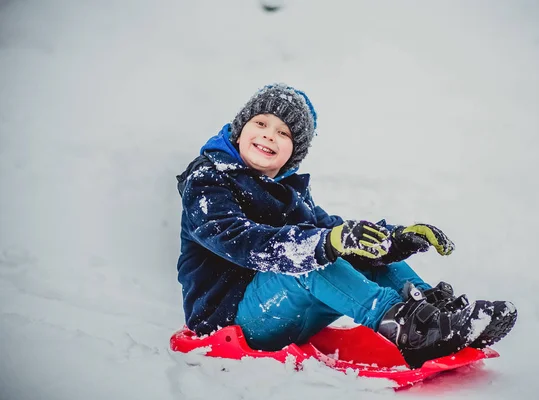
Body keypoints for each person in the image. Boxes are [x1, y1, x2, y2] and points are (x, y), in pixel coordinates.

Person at [175, 83, 517, 368]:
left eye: (283, 133)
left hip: (283, 314)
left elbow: (333, 231)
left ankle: (431, 313)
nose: (269, 136)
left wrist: (393, 240)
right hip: (230, 320)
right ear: (241, 127)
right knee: (308, 258)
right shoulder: (208, 181)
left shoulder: (287, 191)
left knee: (362, 253)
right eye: (261, 123)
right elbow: (239, 240)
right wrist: (327, 243)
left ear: (294, 153)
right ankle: (406, 329)